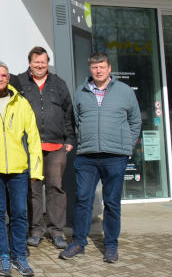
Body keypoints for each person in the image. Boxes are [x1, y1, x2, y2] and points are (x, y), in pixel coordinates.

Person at [60, 52, 141, 264]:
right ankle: (78, 242)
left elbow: (135, 121)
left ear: (109, 68)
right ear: (90, 69)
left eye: (102, 67)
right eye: (95, 67)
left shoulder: (124, 92)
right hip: (87, 156)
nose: (98, 71)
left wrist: (126, 146)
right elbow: (76, 121)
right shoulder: (81, 92)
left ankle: (111, 246)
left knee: (112, 202)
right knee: (83, 199)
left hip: (115, 156)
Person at [0, 61, 42, 277]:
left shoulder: (21, 103)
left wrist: (36, 170)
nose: (0, 78)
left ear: (8, 78)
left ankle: (19, 256)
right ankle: (3, 255)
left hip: (18, 169)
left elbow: (33, 137)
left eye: (4, 75)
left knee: (19, 213)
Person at [16, 46, 75, 250]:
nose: (40, 65)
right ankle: (36, 229)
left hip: (56, 145)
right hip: (30, 147)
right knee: (32, 190)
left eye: (43, 62)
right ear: (29, 63)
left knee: (55, 188)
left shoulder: (58, 83)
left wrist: (70, 140)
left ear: (47, 62)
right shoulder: (20, 82)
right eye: (36, 62)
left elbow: (68, 112)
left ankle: (57, 231)